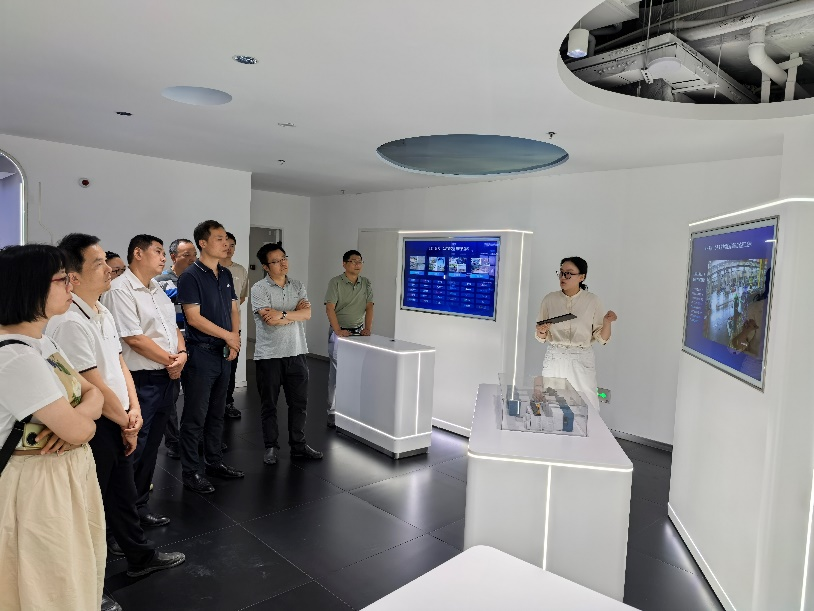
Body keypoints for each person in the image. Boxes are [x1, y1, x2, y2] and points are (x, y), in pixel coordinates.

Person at [46, 234, 185, 610]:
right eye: (98, 263)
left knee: (122, 494)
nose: (108, 268)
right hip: (97, 423)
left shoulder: (101, 311)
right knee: (89, 507)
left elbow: (119, 363)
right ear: (73, 277)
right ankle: (90, 589)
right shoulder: (70, 322)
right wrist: (126, 419)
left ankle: (139, 557)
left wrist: (133, 408)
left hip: (119, 416)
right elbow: (91, 382)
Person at [0, 244, 105, 611]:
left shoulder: (41, 341)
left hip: (61, 473)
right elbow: (79, 430)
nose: (71, 286)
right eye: (62, 279)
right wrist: (82, 424)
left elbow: (93, 393)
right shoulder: (14, 356)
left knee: (73, 568)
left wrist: (79, 419)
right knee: (49, 583)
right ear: (30, 286)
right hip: (36, 483)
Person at [103, 234, 187, 527]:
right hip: (141, 380)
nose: (164, 258)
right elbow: (134, 338)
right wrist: (171, 361)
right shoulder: (120, 290)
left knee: (152, 448)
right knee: (133, 449)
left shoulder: (157, 289)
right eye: (158, 251)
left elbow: (173, 328)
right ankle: (120, 517)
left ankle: (139, 506)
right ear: (138, 253)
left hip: (166, 376)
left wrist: (182, 354)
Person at [177, 220, 244, 493]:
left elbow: (234, 309)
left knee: (218, 412)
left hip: (224, 353)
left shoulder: (225, 274)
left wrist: (234, 339)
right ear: (203, 243)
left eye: (226, 238)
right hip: (201, 353)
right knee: (195, 416)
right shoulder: (190, 276)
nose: (225, 243)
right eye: (219, 238)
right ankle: (191, 471)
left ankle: (214, 462)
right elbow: (193, 318)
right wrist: (228, 336)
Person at [252, 243, 323, 465]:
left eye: (284, 258)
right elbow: (269, 320)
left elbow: (307, 314)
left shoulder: (298, 285)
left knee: (299, 404)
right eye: (275, 261)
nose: (283, 264)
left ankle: (298, 445)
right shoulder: (259, 289)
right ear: (266, 266)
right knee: (269, 405)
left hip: (297, 352)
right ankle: (271, 447)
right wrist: (294, 313)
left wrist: (281, 314)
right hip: (269, 356)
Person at [534, 257, 616, 412]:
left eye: (569, 273)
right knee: (551, 404)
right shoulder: (549, 299)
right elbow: (540, 337)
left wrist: (607, 323)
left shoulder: (593, 301)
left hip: (580, 358)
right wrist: (542, 331)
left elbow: (602, 339)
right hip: (555, 357)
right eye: (561, 273)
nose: (563, 277)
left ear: (581, 277)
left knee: (586, 405)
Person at [154, 237, 196, 459]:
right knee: (171, 396)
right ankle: (173, 441)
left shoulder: (197, 278)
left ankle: (193, 437)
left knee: (196, 394)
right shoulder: (159, 281)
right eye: (186, 255)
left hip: (197, 342)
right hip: (173, 345)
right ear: (173, 257)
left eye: (194, 255)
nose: (192, 259)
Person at [324, 249, 374, 428]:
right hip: (339, 333)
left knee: (356, 372)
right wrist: (338, 330)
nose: (357, 264)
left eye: (360, 261)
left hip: (358, 333)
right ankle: (332, 411)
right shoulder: (336, 282)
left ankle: (352, 410)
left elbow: (369, 306)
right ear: (344, 264)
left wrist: (367, 328)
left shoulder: (365, 283)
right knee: (337, 373)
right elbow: (330, 308)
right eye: (353, 261)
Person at [221, 231, 248, 419]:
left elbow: (242, 298)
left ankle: (228, 402)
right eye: (225, 245)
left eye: (232, 245)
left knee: (231, 366)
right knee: (215, 368)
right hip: (213, 327)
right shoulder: (210, 269)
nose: (229, 249)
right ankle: (213, 404)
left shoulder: (240, 270)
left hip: (234, 327)